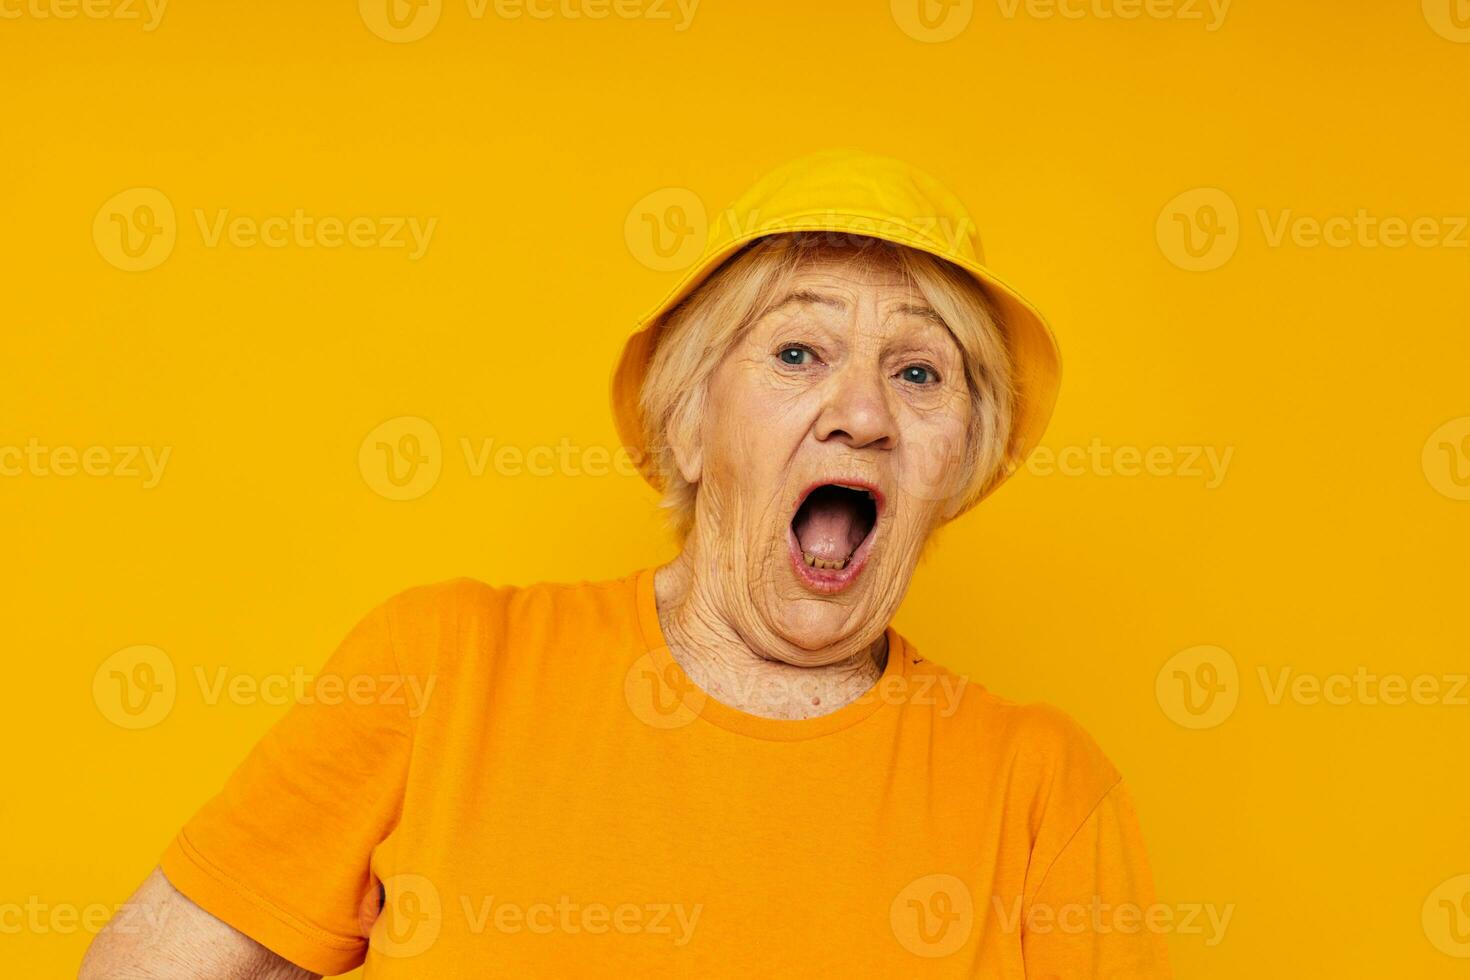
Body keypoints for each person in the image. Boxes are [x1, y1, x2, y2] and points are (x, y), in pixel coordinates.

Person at [81, 149, 1171, 978]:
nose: (862, 413)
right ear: (688, 426)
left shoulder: (1045, 790)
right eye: (799, 350)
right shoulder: (445, 664)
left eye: (922, 373)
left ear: (961, 464)